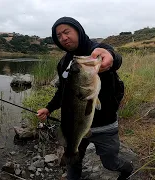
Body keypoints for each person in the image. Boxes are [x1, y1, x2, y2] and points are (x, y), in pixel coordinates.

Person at [37, 16, 134, 180]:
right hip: (73, 125)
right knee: (73, 163)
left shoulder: (96, 50)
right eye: (59, 36)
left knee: (110, 162)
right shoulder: (64, 63)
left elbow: (112, 57)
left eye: (66, 32)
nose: (64, 38)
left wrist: (110, 57)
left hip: (105, 125)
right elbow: (62, 91)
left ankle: (128, 169)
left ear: (78, 30)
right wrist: (49, 108)